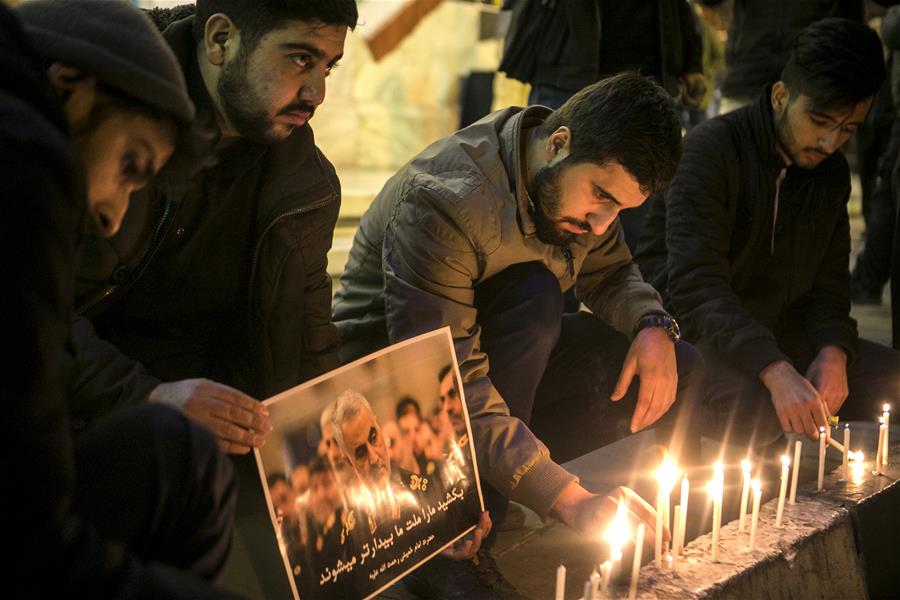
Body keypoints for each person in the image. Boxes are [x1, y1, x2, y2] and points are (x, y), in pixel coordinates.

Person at [333, 72, 702, 597]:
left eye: (619, 208)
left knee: (677, 366)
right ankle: (456, 537)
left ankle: (620, 517)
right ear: (559, 143)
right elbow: (446, 381)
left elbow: (613, 272)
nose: (602, 224)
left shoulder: (573, 190)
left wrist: (653, 324)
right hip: (399, 394)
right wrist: (567, 499)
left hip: (499, 367)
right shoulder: (446, 202)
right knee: (534, 298)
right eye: (601, 197)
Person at [3, 0, 238, 597]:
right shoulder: (25, 159)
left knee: (176, 450)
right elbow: (35, 544)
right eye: (129, 166)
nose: (112, 217)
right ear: (69, 90)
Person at [70, 0, 358, 454]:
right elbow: (23, 302)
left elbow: (307, 338)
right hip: (64, 418)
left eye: (328, 67)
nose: (316, 93)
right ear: (220, 39)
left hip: (223, 443)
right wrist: (146, 396)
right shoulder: (94, 119)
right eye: (300, 59)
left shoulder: (306, 184)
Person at [635, 18, 900, 451]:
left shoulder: (829, 173)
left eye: (849, 129)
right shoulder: (710, 151)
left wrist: (834, 350)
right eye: (820, 120)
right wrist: (775, 369)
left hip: (778, 330)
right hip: (697, 337)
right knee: (757, 415)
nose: (831, 142)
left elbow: (831, 283)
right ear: (781, 96)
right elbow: (695, 289)